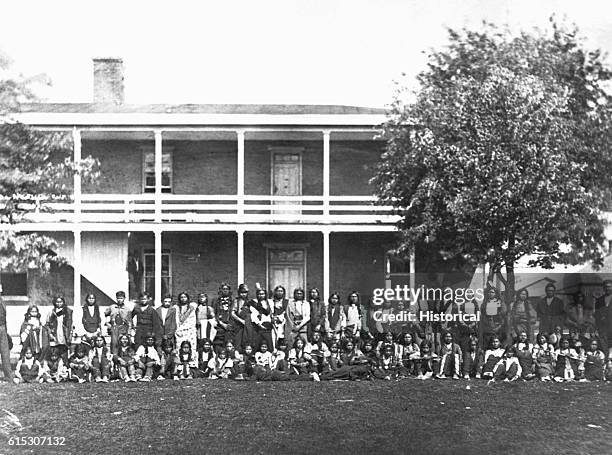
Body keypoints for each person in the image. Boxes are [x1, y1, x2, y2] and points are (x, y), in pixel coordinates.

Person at [45, 295, 73, 364]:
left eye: (60, 302)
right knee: (56, 350)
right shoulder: (51, 312)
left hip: (64, 333)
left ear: (63, 302)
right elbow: (47, 324)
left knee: (64, 350)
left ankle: (65, 366)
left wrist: (70, 334)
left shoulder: (67, 311)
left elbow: (70, 324)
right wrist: (50, 333)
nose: (59, 303)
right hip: (55, 333)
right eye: (57, 302)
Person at [230, 283, 251, 351]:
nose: (243, 294)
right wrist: (240, 320)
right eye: (242, 292)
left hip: (247, 324)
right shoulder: (236, 301)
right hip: (238, 324)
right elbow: (232, 313)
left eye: (245, 292)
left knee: (246, 341)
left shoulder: (249, 302)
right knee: (237, 341)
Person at [594, 279, 612, 353]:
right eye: (605, 287)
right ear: (603, 288)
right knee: (604, 347)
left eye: (609, 287)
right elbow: (597, 315)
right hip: (603, 329)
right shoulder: (599, 300)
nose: (607, 288)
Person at [270, 286, 288, 350]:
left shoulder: (286, 302)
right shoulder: (271, 302)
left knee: (282, 339)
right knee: (274, 339)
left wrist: (280, 318)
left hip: (283, 323)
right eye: (278, 291)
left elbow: (287, 313)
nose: (279, 293)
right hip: (273, 324)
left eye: (281, 291)